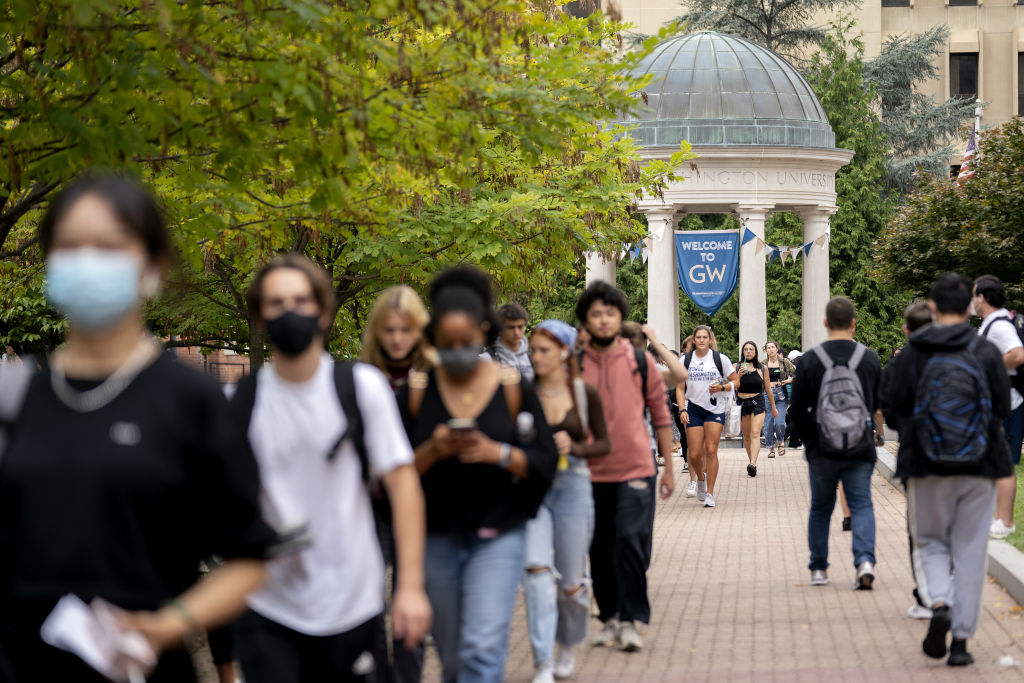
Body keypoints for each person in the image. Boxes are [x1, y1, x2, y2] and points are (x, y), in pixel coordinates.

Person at [0, 174, 273, 682]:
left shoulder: (192, 401)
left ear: (153, 264)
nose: (87, 260)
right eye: (69, 246)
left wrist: (168, 624)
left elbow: (248, 559)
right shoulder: (14, 396)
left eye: (108, 246)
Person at [231, 256, 431, 683]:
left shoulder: (361, 388)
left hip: (352, 604)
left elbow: (403, 483)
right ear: (259, 314)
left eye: (301, 300)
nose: (290, 311)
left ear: (323, 312)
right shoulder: (239, 402)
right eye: (276, 302)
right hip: (268, 606)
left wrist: (410, 587)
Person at [398, 266, 557, 683]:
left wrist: (497, 453)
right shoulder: (416, 390)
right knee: (452, 657)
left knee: (482, 651)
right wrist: (434, 449)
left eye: (465, 342)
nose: (456, 351)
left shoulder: (512, 388)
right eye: (446, 343)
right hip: (435, 537)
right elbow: (392, 476)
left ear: (483, 331)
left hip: (498, 534)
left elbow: (543, 462)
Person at [882, 273, 1012, 666]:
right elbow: (1003, 408)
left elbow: (892, 407)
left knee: (931, 541)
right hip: (979, 462)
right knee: (970, 551)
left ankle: (939, 601)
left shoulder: (914, 350)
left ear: (933, 307)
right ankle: (961, 643)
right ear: (971, 306)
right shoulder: (985, 351)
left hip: (926, 464)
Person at [575, 281, 674, 653]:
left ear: (620, 318)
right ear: (586, 318)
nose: (604, 320)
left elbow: (661, 414)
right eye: (596, 313)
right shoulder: (575, 362)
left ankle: (631, 619)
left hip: (636, 466)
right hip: (588, 470)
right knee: (599, 547)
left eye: (611, 313)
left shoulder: (639, 360)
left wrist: (666, 467)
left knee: (630, 541)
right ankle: (610, 616)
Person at [522, 320, 610, 683]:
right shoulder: (522, 392)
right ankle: (542, 661)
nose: (535, 357)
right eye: (532, 350)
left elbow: (603, 444)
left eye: (543, 350)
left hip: (573, 486)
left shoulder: (583, 393)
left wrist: (574, 447)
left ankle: (567, 647)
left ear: (563, 351)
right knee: (536, 573)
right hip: (534, 488)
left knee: (570, 583)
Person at [791, 296, 882, 589]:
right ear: (854, 324)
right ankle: (865, 561)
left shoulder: (809, 360)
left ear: (826, 323)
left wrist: (811, 440)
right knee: (862, 504)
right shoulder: (869, 358)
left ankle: (819, 568)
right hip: (860, 445)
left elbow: (798, 409)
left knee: (820, 507)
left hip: (822, 448)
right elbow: (876, 405)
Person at [971, 275, 1024, 539]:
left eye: (973, 295)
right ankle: (996, 518)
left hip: (1009, 403)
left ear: (982, 297)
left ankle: (1005, 521)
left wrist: (989, 366)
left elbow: (1018, 354)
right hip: (999, 402)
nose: (971, 301)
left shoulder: (999, 326)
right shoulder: (990, 324)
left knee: (1004, 464)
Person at [681, 325, 738, 507]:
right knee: (695, 454)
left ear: (710, 340)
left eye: (705, 337)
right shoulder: (686, 359)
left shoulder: (720, 359)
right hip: (694, 408)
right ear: (694, 340)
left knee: (711, 450)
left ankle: (710, 494)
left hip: (715, 409)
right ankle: (700, 478)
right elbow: (679, 387)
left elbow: (736, 381)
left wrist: (722, 387)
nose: (702, 340)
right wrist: (682, 409)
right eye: (699, 337)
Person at [361, 284, 435, 389]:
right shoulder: (361, 376)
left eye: (405, 330)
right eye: (389, 331)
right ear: (376, 331)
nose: (397, 339)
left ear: (419, 330)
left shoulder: (436, 375)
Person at [736, 341, 776, 478]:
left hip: (757, 402)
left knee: (755, 433)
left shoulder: (762, 368)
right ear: (742, 352)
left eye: (751, 349)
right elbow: (732, 386)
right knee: (746, 435)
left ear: (755, 352)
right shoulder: (736, 367)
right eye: (746, 349)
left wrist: (774, 408)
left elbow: (768, 389)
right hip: (741, 402)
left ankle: (753, 463)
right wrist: (739, 375)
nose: (748, 352)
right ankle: (751, 461)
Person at [762, 340, 794, 458]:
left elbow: (797, 374)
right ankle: (771, 448)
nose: (770, 349)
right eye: (768, 348)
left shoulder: (785, 362)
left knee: (779, 422)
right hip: (767, 394)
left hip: (781, 394)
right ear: (765, 350)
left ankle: (780, 442)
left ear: (776, 348)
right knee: (768, 423)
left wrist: (788, 380)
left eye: (772, 347)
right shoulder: (763, 363)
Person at [487, 302, 534, 381]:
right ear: (500, 328)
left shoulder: (533, 355)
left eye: (520, 327)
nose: (516, 332)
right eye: (511, 327)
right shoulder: (488, 359)